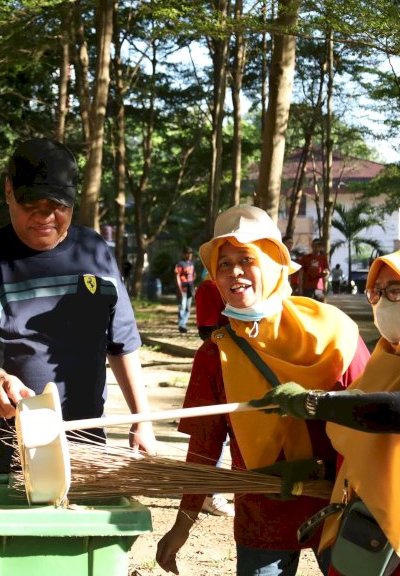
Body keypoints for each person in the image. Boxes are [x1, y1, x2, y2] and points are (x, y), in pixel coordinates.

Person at [155, 204, 370, 576]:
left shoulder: (336, 332)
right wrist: (182, 524)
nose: (234, 272)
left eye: (246, 259)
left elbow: (373, 420)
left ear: (273, 263)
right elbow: (204, 447)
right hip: (262, 512)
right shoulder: (215, 354)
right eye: (224, 263)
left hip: (341, 505)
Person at [0, 137, 156, 478]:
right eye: (32, 203)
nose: (45, 216)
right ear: (9, 191)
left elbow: (122, 343)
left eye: (57, 204)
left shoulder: (95, 252)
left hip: (82, 449)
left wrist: (141, 420)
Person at [252, 247, 400, 575]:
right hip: (365, 529)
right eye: (376, 292)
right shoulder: (387, 356)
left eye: (397, 290)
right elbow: (369, 438)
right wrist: (319, 470)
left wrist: (313, 403)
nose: (384, 302)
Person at [193, 268, 235, 518]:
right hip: (222, 368)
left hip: (242, 368)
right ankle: (210, 494)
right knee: (216, 432)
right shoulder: (209, 288)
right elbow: (207, 331)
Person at [175, 246, 196, 334]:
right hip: (182, 289)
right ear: (184, 254)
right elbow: (177, 276)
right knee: (182, 307)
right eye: (187, 253)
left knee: (188, 308)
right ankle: (181, 325)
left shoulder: (191, 263)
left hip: (190, 288)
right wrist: (179, 289)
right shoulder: (180, 264)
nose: (189, 255)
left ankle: (183, 324)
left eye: (190, 253)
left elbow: (194, 274)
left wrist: (192, 284)